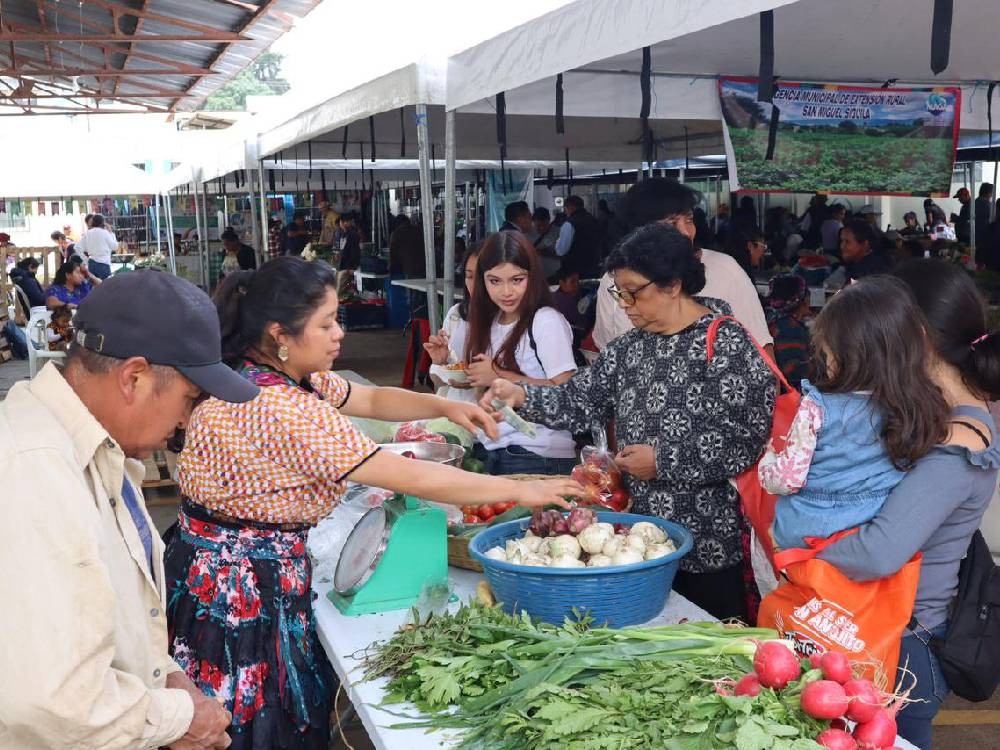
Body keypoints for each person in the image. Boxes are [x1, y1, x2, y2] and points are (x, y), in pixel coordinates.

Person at [165, 257, 580, 749]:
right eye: (326, 323)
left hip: (225, 563)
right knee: (250, 723)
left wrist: (446, 405)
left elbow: (371, 399)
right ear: (280, 334)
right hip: (240, 587)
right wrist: (522, 490)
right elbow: (411, 475)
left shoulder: (278, 373)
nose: (339, 333)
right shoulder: (278, 406)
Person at [0, 271, 254, 749]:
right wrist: (179, 718)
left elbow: (114, 622)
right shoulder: (34, 473)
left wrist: (169, 678)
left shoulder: (99, 450)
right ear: (134, 378)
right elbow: (51, 702)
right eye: (189, 399)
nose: (186, 420)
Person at [483, 223, 777, 620]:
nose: (624, 304)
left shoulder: (728, 345)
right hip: (634, 538)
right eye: (618, 292)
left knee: (707, 630)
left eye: (633, 291)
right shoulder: (629, 348)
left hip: (708, 542)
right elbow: (578, 400)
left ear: (673, 285)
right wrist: (520, 396)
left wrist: (662, 461)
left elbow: (745, 441)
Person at [818, 260, 1000, 748]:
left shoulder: (960, 445)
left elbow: (877, 552)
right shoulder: (942, 410)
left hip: (905, 646)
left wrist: (797, 546)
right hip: (888, 627)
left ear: (914, 335)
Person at [759, 276, 949, 551]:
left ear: (844, 356)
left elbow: (787, 479)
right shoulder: (913, 405)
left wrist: (767, 461)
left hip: (808, 530)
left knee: (772, 540)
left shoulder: (817, 407)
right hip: (873, 527)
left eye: (827, 353)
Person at [593, 179, 774, 355]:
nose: (686, 232)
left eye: (689, 220)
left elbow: (762, 351)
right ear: (639, 231)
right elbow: (606, 352)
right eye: (671, 223)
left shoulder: (725, 270)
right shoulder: (614, 281)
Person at [456, 231, 579, 475]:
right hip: (492, 448)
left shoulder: (545, 321)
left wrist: (499, 375)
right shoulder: (488, 322)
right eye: (494, 281)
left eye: (517, 279)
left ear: (533, 277)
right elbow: (487, 396)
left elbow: (569, 392)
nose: (506, 291)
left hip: (537, 453)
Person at [425, 244, 480, 401]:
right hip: (454, 407)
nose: (475, 284)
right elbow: (439, 381)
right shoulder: (456, 314)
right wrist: (439, 362)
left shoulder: (508, 321)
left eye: (484, 276)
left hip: (489, 412)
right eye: (469, 276)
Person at [765, 275, 812, 390]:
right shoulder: (790, 329)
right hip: (787, 393)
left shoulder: (771, 318)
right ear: (804, 301)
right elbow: (794, 371)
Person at [555, 195, 602, 278]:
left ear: (570, 207)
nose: (565, 212)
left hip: (574, 272)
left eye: (565, 208)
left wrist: (557, 241)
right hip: (593, 268)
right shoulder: (594, 220)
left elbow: (561, 250)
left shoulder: (569, 224)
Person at [74, 213, 118, 280]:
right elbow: (115, 247)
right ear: (102, 222)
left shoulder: (88, 233)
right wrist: (111, 233)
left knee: (94, 285)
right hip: (103, 264)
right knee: (105, 285)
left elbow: (76, 247)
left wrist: (86, 260)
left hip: (92, 264)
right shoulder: (104, 232)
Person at [389, 213, 425, 278]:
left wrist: (391, 267)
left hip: (407, 268)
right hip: (423, 267)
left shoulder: (396, 233)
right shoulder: (418, 231)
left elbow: (392, 253)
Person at [337, 211, 362, 294]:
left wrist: (350, 267)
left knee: (338, 291)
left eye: (341, 222)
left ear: (346, 222)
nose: (340, 224)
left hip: (348, 267)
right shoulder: (344, 234)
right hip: (344, 266)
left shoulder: (353, 235)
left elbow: (355, 253)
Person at [975, 182, 994, 249]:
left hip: (976, 233)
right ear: (988, 192)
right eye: (992, 192)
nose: (992, 195)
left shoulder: (976, 201)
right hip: (985, 234)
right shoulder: (987, 204)